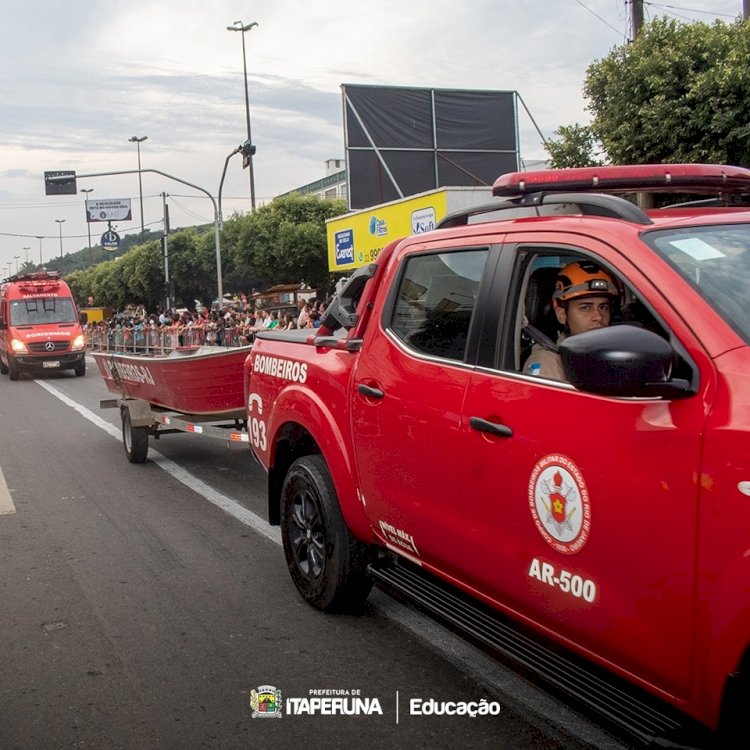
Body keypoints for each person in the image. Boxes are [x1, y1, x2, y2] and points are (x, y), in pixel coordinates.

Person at [523, 260, 618, 381]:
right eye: (585, 308)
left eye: (603, 307)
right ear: (562, 314)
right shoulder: (548, 363)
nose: (598, 316)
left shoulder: (617, 355)